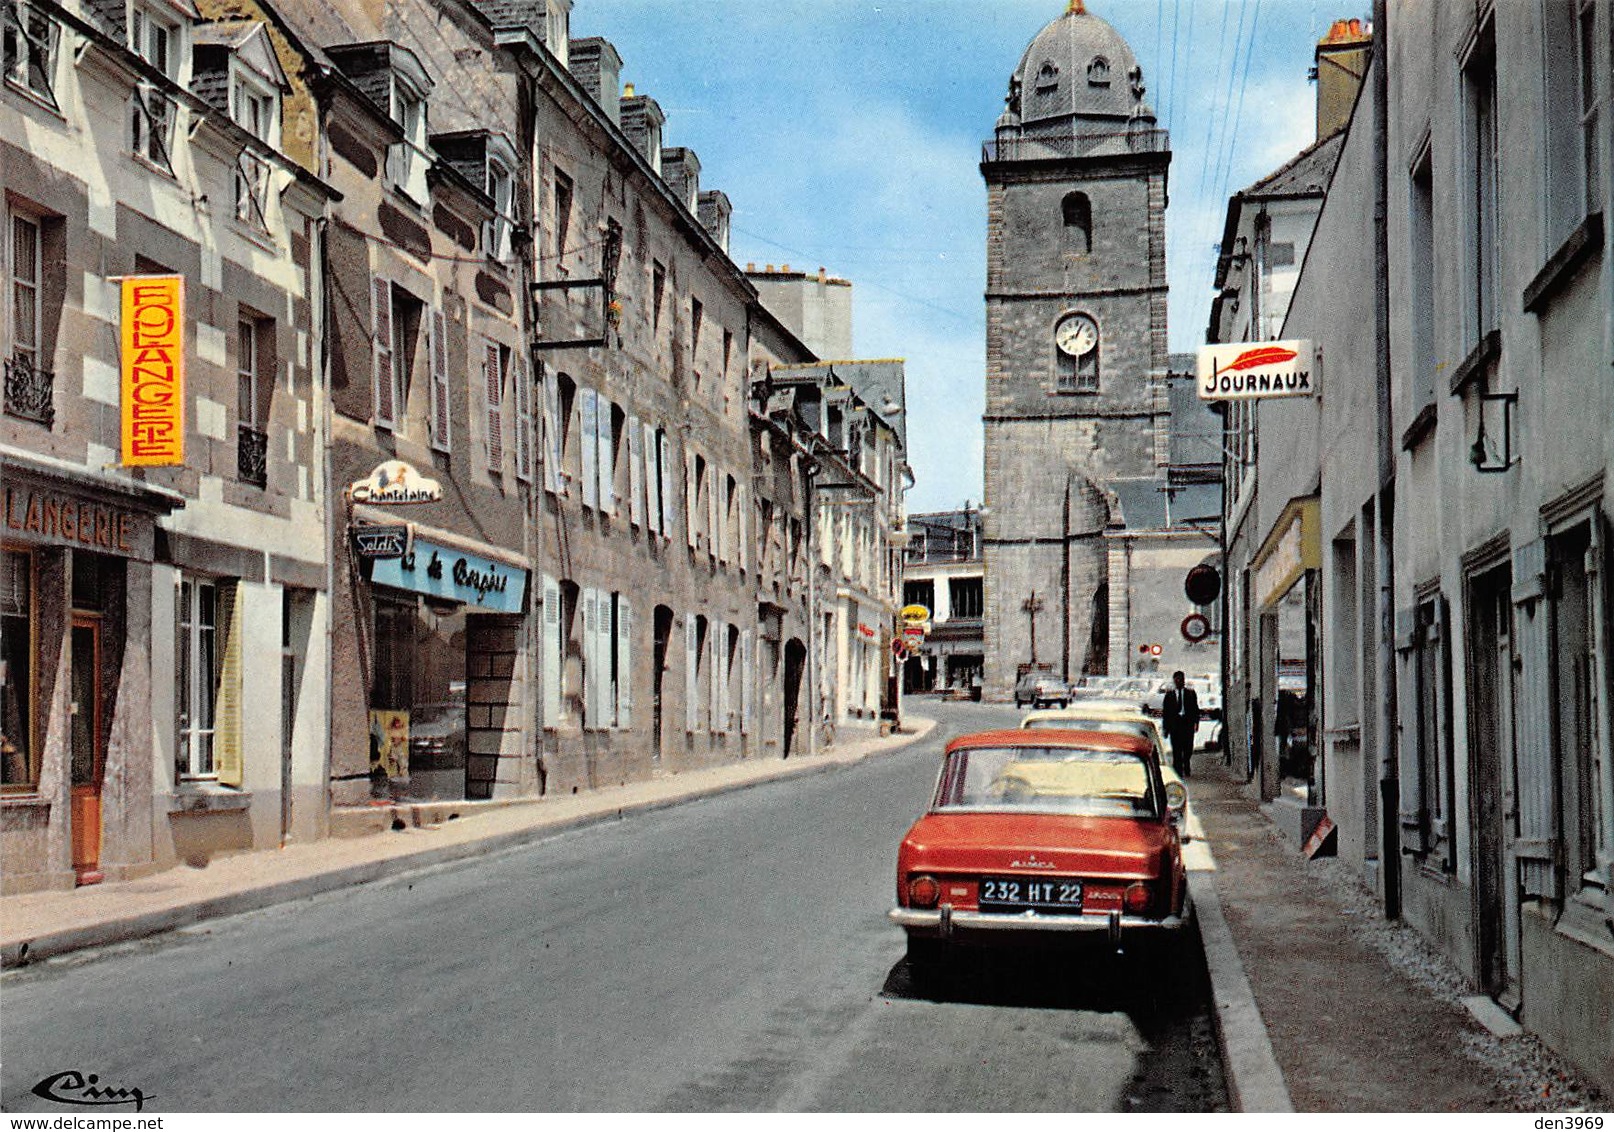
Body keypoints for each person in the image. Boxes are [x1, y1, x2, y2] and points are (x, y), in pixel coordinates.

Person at [1162, 670, 1200, 778]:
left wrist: (1196, 722)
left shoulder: (1190, 694)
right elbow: (1166, 713)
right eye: (1177, 679)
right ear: (1174, 681)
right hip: (1175, 725)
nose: (1179, 681)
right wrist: (1166, 728)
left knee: (1188, 747)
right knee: (1176, 749)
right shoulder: (1169, 696)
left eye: (1181, 679)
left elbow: (1195, 709)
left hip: (1187, 724)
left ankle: (1186, 764)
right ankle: (1178, 770)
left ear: (1184, 680)